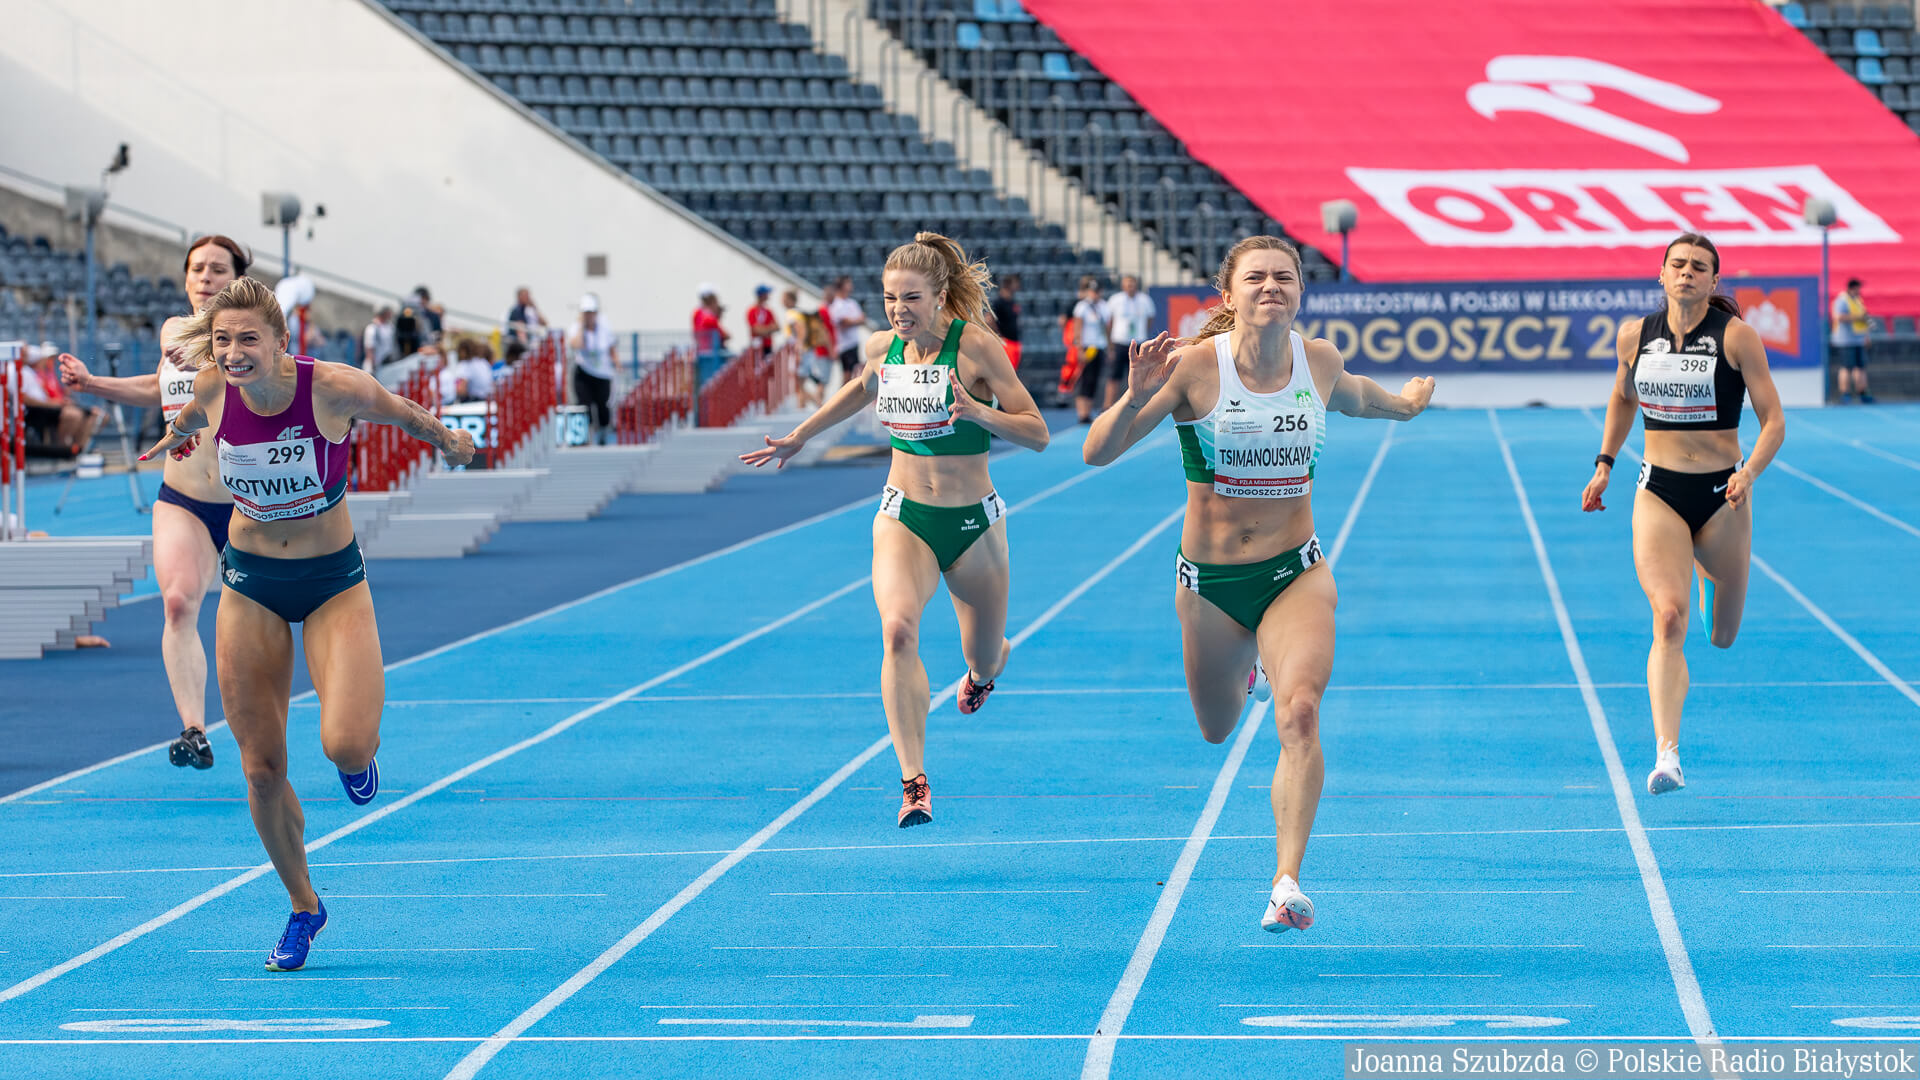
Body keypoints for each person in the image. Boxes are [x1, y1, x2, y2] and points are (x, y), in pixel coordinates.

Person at [1083, 236, 1434, 933]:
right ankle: (1248, 669)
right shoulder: (1194, 368)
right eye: (1256, 277)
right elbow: (1097, 452)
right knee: (1217, 730)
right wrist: (1133, 399)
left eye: (1284, 277)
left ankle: (1286, 881)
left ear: (1299, 292)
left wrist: (1407, 405)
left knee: (1299, 712)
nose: (1271, 285)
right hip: (1210, 587)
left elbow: (1359, 398)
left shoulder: (1318, 360)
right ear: (1228, 294)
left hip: (1294, 573)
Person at [139, 276, 473, 971]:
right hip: (250, 584)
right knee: (261, 769)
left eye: (248, 339)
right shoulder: (213, 387)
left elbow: (405, 414)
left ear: (282, 342)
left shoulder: (334, 388)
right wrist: (174, 437)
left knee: (344, 746)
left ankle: (359, 759)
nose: (233, 352)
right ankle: (303, 906)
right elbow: (194, 416)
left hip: (331, 584)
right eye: (222, 340)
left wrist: (449, 441)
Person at [742, 234, 1049, 828]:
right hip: (905, 516)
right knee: (898, 631)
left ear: (939, 296)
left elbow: (1036, 432)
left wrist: (977, 411)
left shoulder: (977, 349)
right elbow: (860, 389)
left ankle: (986, 670)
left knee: (984, 655)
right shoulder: (884, 348)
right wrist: (801, 436)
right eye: (889, 298)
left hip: (973, 524)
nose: (898, 310)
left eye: (910, 298)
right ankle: (914, 781)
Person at [1583, 233, 1785, 796]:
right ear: (1662, 273)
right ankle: (1667, 755)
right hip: (1660, 491)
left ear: (1714, 280)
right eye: (1678, 264)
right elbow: (1623, 398)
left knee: (1721, 635)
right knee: (1669, 619)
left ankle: (1704, 567)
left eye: (1699, 266)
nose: (1687, 272)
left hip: (1724, 496)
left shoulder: (1737, 337)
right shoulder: (1634, 336)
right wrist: (1604, 464)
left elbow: (1774, 421)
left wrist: (1749, 473)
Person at [57, 235, 249, 770]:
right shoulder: (174, 330)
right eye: (197, 268)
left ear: (238, 280)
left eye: (217, 269)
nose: (205, 277)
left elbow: (215, 363)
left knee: (259, 621)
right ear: (185, 278)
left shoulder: (254, 341)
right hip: (184, 499)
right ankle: (194, 729)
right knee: (178, 602)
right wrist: (93, 383)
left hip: (247, 505)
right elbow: (162, 383)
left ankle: (283, 721)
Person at [568, 293, 618, 445]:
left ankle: (603, 433)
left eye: (591, 312)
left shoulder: (604, 326)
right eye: (586, 313)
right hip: (584, 372)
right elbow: (577, 345)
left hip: (602, 373)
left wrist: (617, 363)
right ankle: (586, 436)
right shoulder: (577, 327)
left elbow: (611, 347)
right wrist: (582, 326)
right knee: (584, 404)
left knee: (603, 404)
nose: (589, 316)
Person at [1106, 275, 1156, 409]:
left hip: (1138, 343)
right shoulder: (1115, 300)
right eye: (1127, 284)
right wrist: (1111, 346)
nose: (1130, 287)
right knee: (1114, 376)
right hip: (1120, 342)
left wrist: (1143, 335)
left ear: (1136, 285)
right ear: (1123, 286)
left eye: (1132, 284)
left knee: (1139, 377)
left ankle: (1138, 405)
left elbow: (1150, 320)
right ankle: (1108, 406)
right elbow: (1110, 323)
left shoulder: (1145, 300)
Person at [1070, 276, 1110, 423]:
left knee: (1094, 379)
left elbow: (1107, 328)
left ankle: (1088, 411)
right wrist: (1079, 349)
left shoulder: (1104, 306)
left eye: (1097, 291)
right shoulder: (1082, 306)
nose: (1095, 294)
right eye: (1093, 291)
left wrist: (1109, 347)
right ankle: (1082, 412)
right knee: (1085, 379)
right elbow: (1077, 329)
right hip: (1088, 346)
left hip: (1099, 346)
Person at [1831, 278, 1873, 404]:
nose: (1860, 291)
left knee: (1860, 367)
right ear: (1852, 288)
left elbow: (1864, 319)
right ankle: (1845, 393)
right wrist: (1857, 317)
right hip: (1846, 340)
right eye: (1858, 288)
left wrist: (1866, 336)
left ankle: (1863, 392)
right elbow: (1838, 317)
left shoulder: (1858, 301)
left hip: (1858, 339)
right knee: (1846, 367)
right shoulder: (1842, 300)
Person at [829, 275, 870, 380]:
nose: (851, 285)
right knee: (848, 376)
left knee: (854, 374)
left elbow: (862, 319)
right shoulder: (837, 304)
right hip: (845, 345)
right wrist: (855, 321)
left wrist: (853, 321)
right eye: (848, 283)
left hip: (853, 343)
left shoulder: (852, 303)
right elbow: (844, 322)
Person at [692, 284, 730, 384]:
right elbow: (725, 335)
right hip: (710, 356)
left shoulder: (698, 313)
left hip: (705, 354)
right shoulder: (707, 316)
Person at [989, 273, 1022, 369]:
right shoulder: (999, 302)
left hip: (1014, 342)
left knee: (1013, 370)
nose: (1018, 285)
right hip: (1006, 343)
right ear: (1008, 284)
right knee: (1007, 371)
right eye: (1015, 283)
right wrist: (999, 336)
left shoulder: (1012, 301)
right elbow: (989, 319)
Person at [361, 307, 396, 373]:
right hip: (375, 366)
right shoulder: (372, 328)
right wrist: (373, 364)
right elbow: (369, 348)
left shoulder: (390, 327)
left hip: (386, 364)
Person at [746, 284, 778, 356]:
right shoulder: (752, 310)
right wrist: (769, 329)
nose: (768, 295)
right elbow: (756, 330)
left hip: (768, 346)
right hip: (756, 346)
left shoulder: (768, 311)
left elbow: (777, 327)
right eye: (766, 293)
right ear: (762, 295)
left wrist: (763, 330)